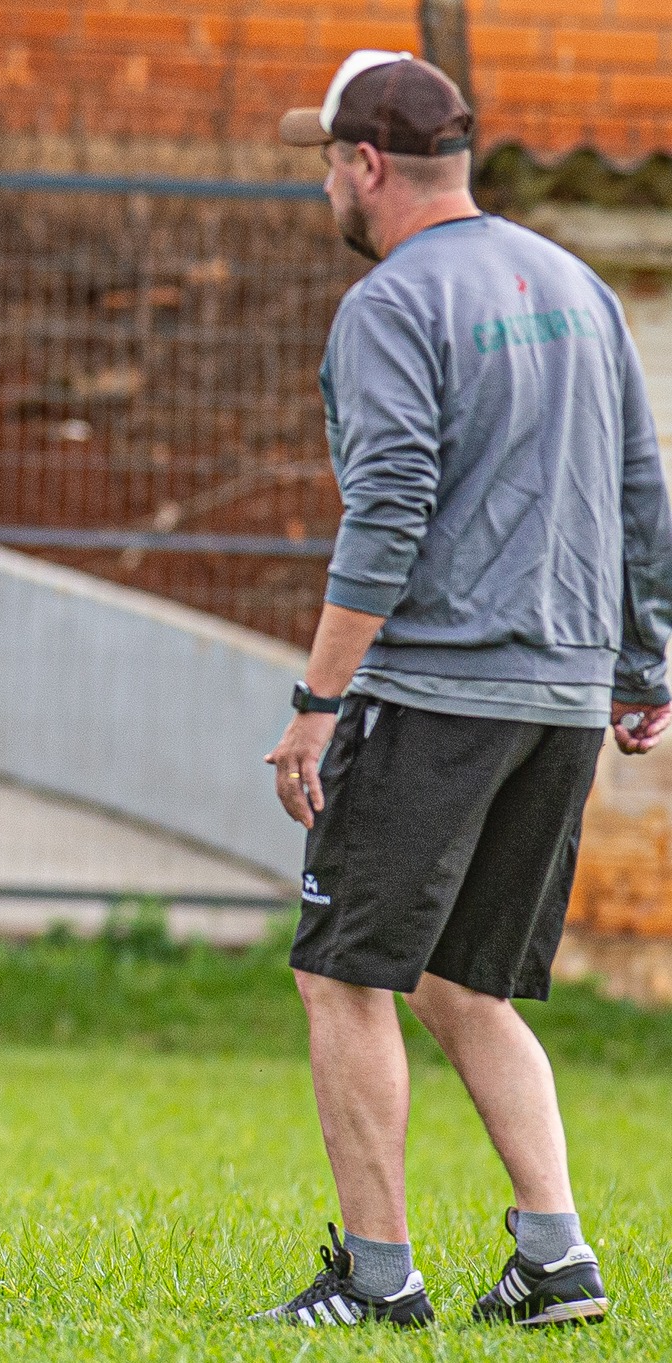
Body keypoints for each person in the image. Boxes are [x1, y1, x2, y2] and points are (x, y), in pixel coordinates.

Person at [254, 51, 672, 1328]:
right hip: (555, 698)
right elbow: (640, 485)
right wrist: (643, 660)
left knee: (340, 972)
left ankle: (377, 1281)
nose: (323, 181)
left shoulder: (388, 304)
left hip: (436, 691)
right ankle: (555, 1259)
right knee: (456, 981)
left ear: (366, 165)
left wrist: (316, 703)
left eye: (326, 159)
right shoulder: (575, 285)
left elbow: (385, 510)